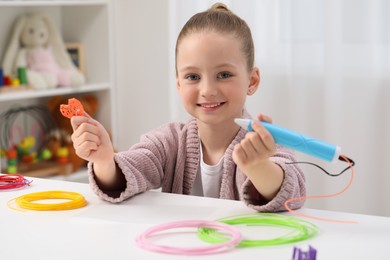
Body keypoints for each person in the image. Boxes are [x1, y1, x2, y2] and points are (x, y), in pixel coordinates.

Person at [70, 3, 305, 212]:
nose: (208, 89)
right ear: (178, 83)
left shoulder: (265, 144)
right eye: (193, 76)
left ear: (252, 81)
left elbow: (293, 192)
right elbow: (131, 170)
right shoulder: (169, 141)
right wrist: (104, 161)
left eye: (224, 74)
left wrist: (259, 167)